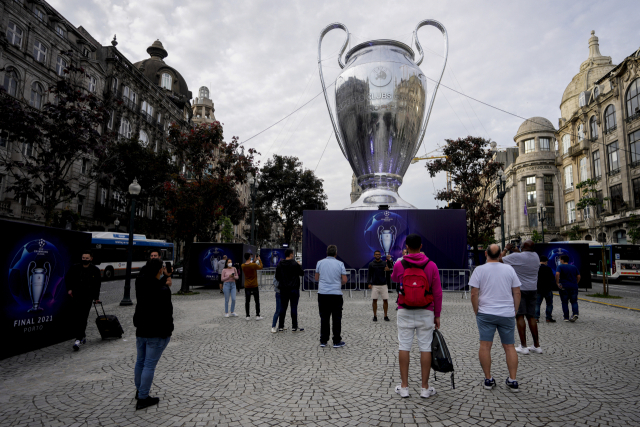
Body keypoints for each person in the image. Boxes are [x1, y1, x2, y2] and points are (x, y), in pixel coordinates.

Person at [390, 234, 443, 399]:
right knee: (425, 347)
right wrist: (437, 315)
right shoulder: (431, 265)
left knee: (404, 346)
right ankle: (425, 388)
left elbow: (393, 278)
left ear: (406, 246)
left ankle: (404, 387)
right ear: (421, 245)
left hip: (404, 309)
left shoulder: (400, 264)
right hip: (426, 310)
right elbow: (437, 293)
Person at [470, 244, 522, 393]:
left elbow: (474, 293)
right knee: (510, 346)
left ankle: (488, 379)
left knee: (485, 346)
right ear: (501, 255)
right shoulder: (509, 269)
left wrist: (476, 310)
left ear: (485, 254)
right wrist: (515, 309)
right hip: (506, 313)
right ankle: (513, 380)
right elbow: (517, 292)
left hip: (486, 313)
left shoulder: (479, 270)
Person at [133, 258, 174, 410]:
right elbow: (166, 313)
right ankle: (143, 398)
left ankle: (139, 391)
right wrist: (169, 330)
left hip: (141, 329)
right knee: (149, 365)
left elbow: (151, 280)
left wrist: (163, 276)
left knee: (140, 362)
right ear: (158, 270)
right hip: (156, 331)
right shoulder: (162, 290)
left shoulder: (140, 283)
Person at [500, 240, 542, 355]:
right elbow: (523, 257)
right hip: (532, 289)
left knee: (519, 316)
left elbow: (498, 260)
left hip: (519, 290)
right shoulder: (535, 256)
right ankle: (536, 345)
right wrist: (516, 251)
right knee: (531, 317)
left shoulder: (516, 257)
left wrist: (505, 249)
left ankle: (523, 346)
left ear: (522, 247)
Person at [66, 250, 102, 351]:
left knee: (83, 316)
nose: (85, 260)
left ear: (91, 258)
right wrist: (69, 289)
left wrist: (96, 298)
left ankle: (78, 339)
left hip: (88, 297)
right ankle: (82, 335)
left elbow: (97, 285)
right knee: (77, 317)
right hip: (76, 296)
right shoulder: (75, 268)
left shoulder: (95, 270)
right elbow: (68, 278)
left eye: (87, 258)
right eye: (83, 258)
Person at [315, 245, 348, 348]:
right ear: (336, 253)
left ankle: (323, 340)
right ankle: (336, 341)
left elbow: (316, 278)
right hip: (336, 294)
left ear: (326, 252)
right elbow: (345, 280)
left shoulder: (320, 263)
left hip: (323, 293)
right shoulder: (340, 264)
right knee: (336, 318)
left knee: (324, 317)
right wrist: (339, 283)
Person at [277, 248, 305, 332]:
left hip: (284, 289)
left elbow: (277, 276)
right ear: (291, 254)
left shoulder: (280, 264)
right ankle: (294, 326)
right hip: (294, 288)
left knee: (283, 307)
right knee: (293, 307)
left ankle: (281, 326)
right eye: (293, 253)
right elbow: (302, 273)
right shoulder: (295, 264)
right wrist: (299, 265)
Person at [556, 255, 581, 322]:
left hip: (564, 286)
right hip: (573, 286)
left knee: (564, 302)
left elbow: (557, 274)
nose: (560, 261)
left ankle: (566, 317)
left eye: (560, 259)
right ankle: (575, 314)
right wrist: (576, 283)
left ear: (562, 260)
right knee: (574, 301)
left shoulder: (560, 266)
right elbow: (578, 276)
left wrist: (557, 283)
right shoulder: (574, 267)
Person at [367, 251, 389, 322]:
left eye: (379, 254)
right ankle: (375, 316)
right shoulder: (371, 264)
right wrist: (369, 283)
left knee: (385, 300)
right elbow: (369, 274)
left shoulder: (384, 263)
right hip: (375, 285)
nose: (377, 255)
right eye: (376, 254)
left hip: (383, 284)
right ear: (374, 255)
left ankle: (385, 316)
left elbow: (390, 272)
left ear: (381, 255)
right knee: (374, 300)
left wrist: (388, 270)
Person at [241, 253, 263, 321]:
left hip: (247, 285)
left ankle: (247, 315)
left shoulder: (243, 265)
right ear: (250, 257)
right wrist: (259, 260)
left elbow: (249, 265)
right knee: (256, 300)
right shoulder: (253, 265)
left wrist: (253, 261)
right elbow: (260, 267)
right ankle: (257, 315)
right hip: (254, 285)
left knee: (247, 301)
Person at [536, 256, 556, 323]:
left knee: (537, 304)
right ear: (545, 261)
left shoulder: (536, 268)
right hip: (548, 289)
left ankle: (536, 318)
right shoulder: (548, 268)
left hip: (538, 289)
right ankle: (548, 318)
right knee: (549, 304)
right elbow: (552, 278)